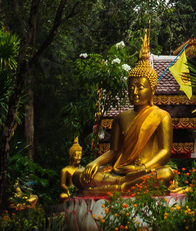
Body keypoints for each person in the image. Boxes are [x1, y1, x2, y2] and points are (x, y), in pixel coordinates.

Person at [74, 33, 173, 193]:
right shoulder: (120, 118)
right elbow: (114, 151)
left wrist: (143, 168)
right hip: (120, 171)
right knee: (79, 175)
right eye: (131, 87)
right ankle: (124, 185)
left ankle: (122, 186)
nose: (134, 92)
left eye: (140, 88)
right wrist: (95, 163)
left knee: (166, 173)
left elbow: (165, 151)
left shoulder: (162, 116)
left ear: (152, 90)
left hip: (144, 170)